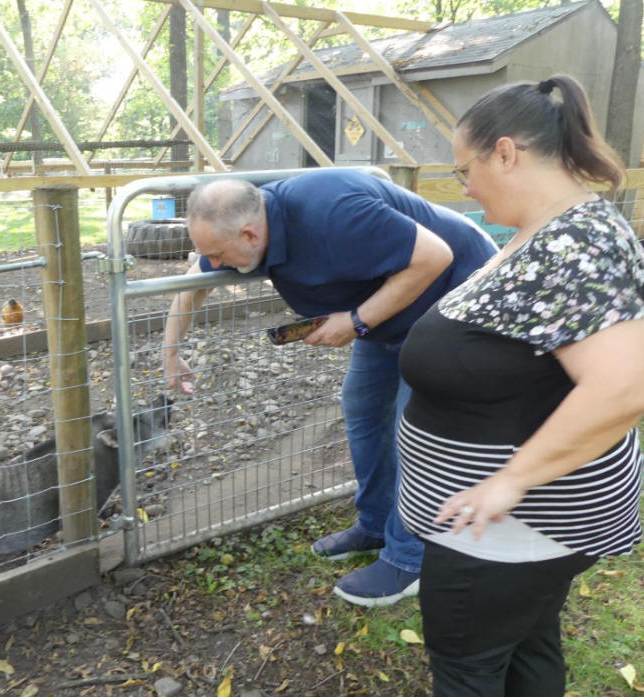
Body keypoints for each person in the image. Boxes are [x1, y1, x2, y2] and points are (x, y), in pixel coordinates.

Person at [397, 74, 644, 696]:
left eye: (464, 170)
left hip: (517, 526)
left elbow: (624, 389)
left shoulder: (576, 243)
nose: (465, 187)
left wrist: (512, 480)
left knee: (466, 664)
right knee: (527, 641)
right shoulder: (550, 231)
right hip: (510, 528)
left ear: (505, 152)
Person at [162, 168, 498, 606]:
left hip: (453, 304)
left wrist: (357, 321)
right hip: (389, 311)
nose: (216, 267)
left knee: (412, 433)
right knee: (362, 409)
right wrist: (171, 353)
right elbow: (192, 289)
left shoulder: (332, 212)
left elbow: (437, 255)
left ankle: (410, 559)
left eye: (219, 256)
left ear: (248, 235)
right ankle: (376, 523)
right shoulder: (243, 223)